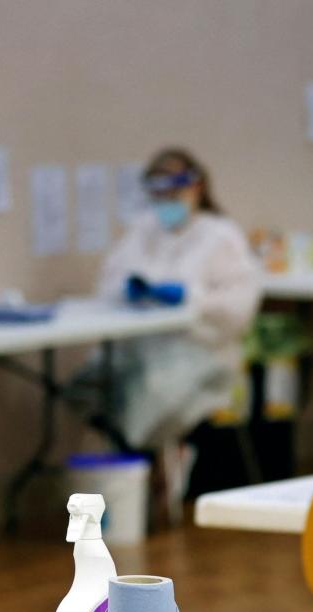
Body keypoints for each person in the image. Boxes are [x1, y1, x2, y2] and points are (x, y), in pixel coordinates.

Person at [93, 148, 262, 453]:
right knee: (87, 385)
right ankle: (139, 466)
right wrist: (131, 290)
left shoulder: (220, 235)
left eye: (174, 189)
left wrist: (191, 299)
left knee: (151, 394)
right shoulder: (142, 230)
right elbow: (110, 281)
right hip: (142, 349)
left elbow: (239, 305)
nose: (166, 200)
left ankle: (151, 468)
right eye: (158, 192)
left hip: (200, 351)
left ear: (197, 187)